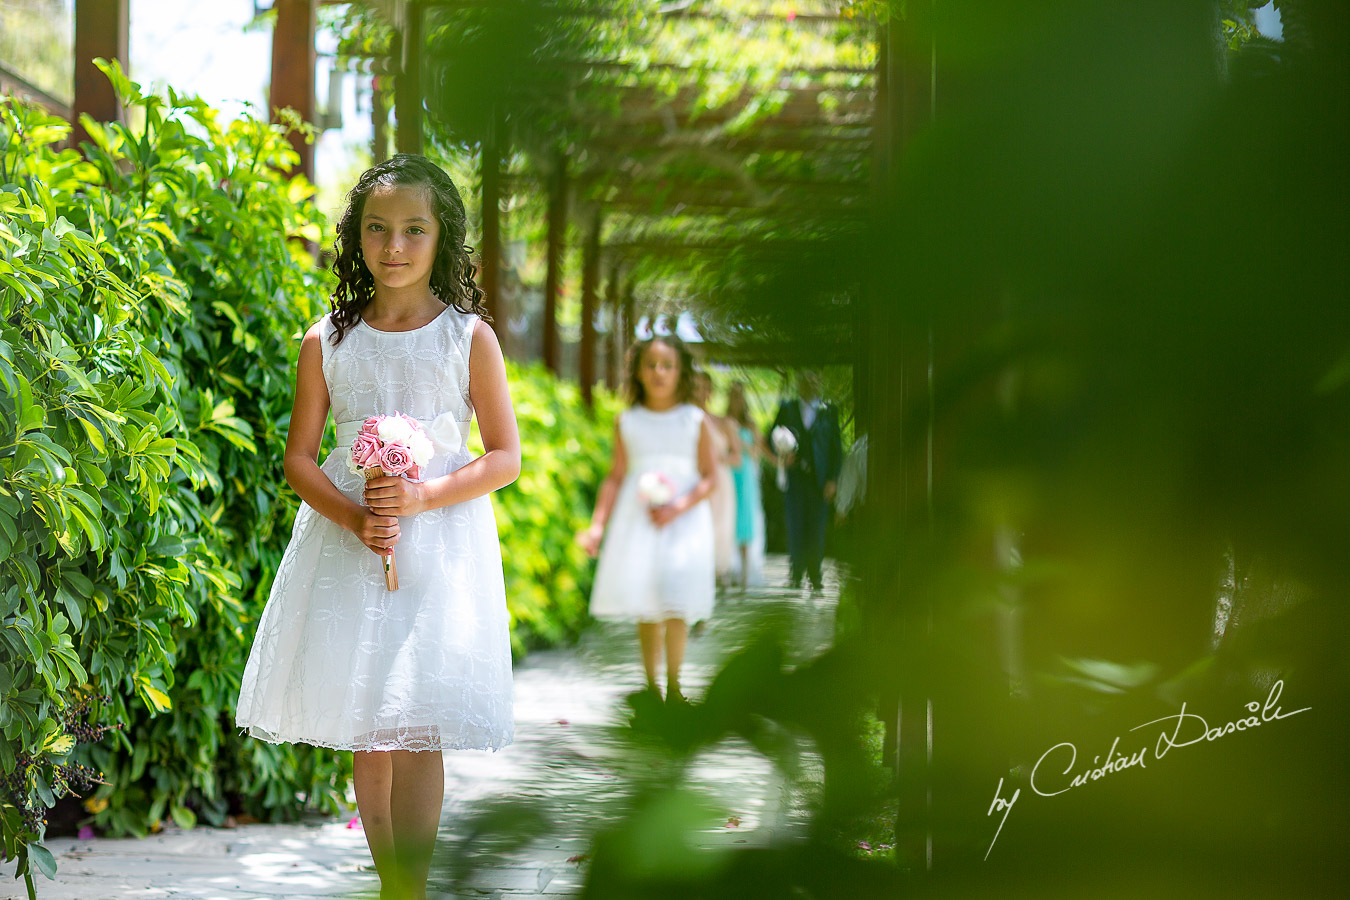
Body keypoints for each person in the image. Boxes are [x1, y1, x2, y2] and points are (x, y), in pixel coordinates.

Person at [235, 154, 520, 900]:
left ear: (444, 239)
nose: (394, 245)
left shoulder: (468, 339)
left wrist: (423, 499)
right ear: (355, 237)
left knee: (417, 720)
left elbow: (505, 458)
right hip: (350, 541)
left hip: (441, 548)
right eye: (377, 228)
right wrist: (358, 516)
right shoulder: (327, 341)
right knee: (372, 720)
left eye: (413, 229)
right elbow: (299, 460)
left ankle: (412, 886)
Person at [578, 336, 716, 702]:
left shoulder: (694, 419)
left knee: (677, 599)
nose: (659, 372)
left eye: (667, 365)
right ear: (637, 372)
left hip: (683, 522)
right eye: (651, 365)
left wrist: (678, 507)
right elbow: (616, 475)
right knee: (648, 601)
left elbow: (710, 477)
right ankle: (652, 686)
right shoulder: (628, 421)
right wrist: (597, 526)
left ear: (680, 371)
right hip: (639, 519)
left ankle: (675, 685)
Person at [771, 370, 842, 595]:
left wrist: (833, 479)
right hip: (795, 479)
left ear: (819, 384)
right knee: (795, 527)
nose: (811, 385)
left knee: (817, 528)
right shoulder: (787, 408)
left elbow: (836, 448)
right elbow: (771, 436)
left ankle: (816, 577)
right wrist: (782, 455)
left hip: (819, 481)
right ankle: (796, 575)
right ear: (799, 385)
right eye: (806, 381)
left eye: (815, 380)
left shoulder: (829, 411)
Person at [693, 371, 741, 585]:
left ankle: (711, 581)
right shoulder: (683, 419)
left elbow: (737, 458)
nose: (700, 392)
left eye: (704, 387)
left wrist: (718, 457)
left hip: (720, 482)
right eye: (695, 386)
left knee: (718, 530)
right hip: (694, 479)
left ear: (710, 391)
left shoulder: (723, 422)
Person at [726, 382, 768, 590]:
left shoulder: (750, 425)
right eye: (733, 396)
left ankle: (743, 574)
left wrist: (740, 443)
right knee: (727, 518)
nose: (736, 400)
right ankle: (725, 573)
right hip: (728, 474)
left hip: (746, 476)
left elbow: (756, 453)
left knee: (744, 520)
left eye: (739, 396)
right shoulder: (723, 422)